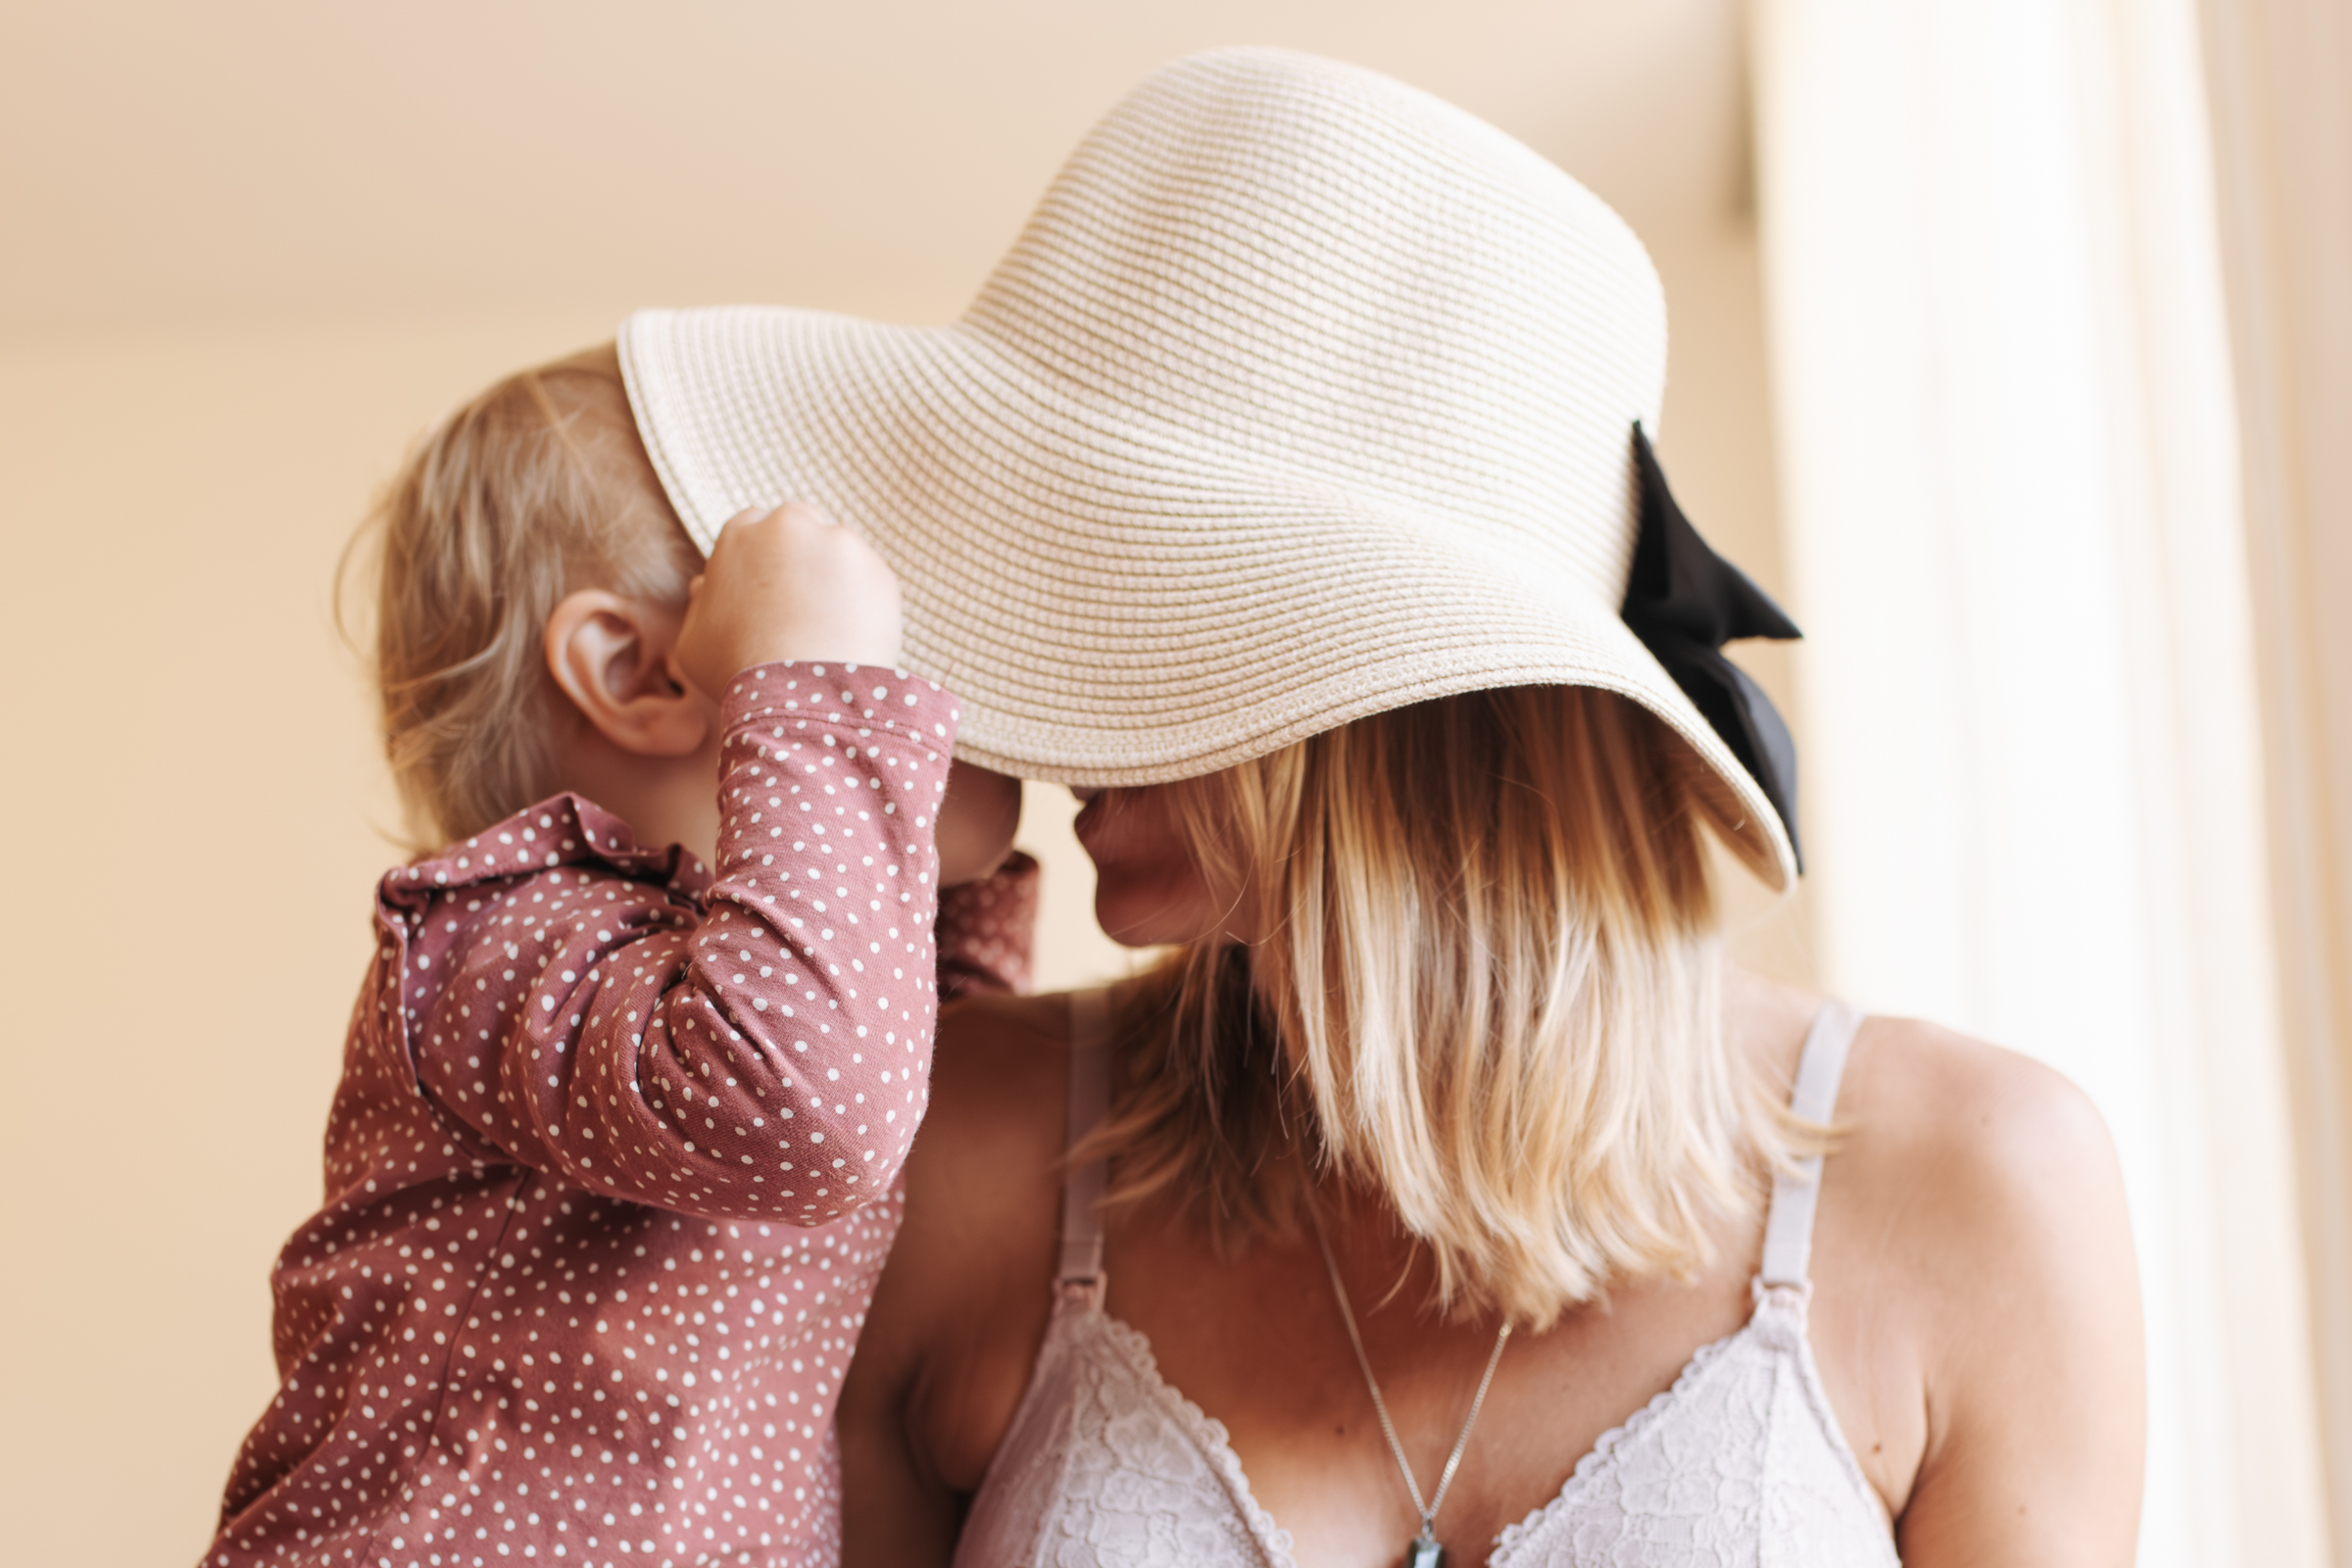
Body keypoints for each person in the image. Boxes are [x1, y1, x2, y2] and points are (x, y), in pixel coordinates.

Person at [666, 51, 2134, 1567]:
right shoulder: (956, 1157)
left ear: (1392, 691)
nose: (1025, 690)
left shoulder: (1982, 1185)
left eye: (1114, 574)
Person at [201, 346, 1037, 1568]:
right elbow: (819, 1103)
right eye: (865, 627)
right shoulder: (504, 937)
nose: (909, 687)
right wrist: (820, 697)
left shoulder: (763, 981)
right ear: (641, 674)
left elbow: (915, 1049)